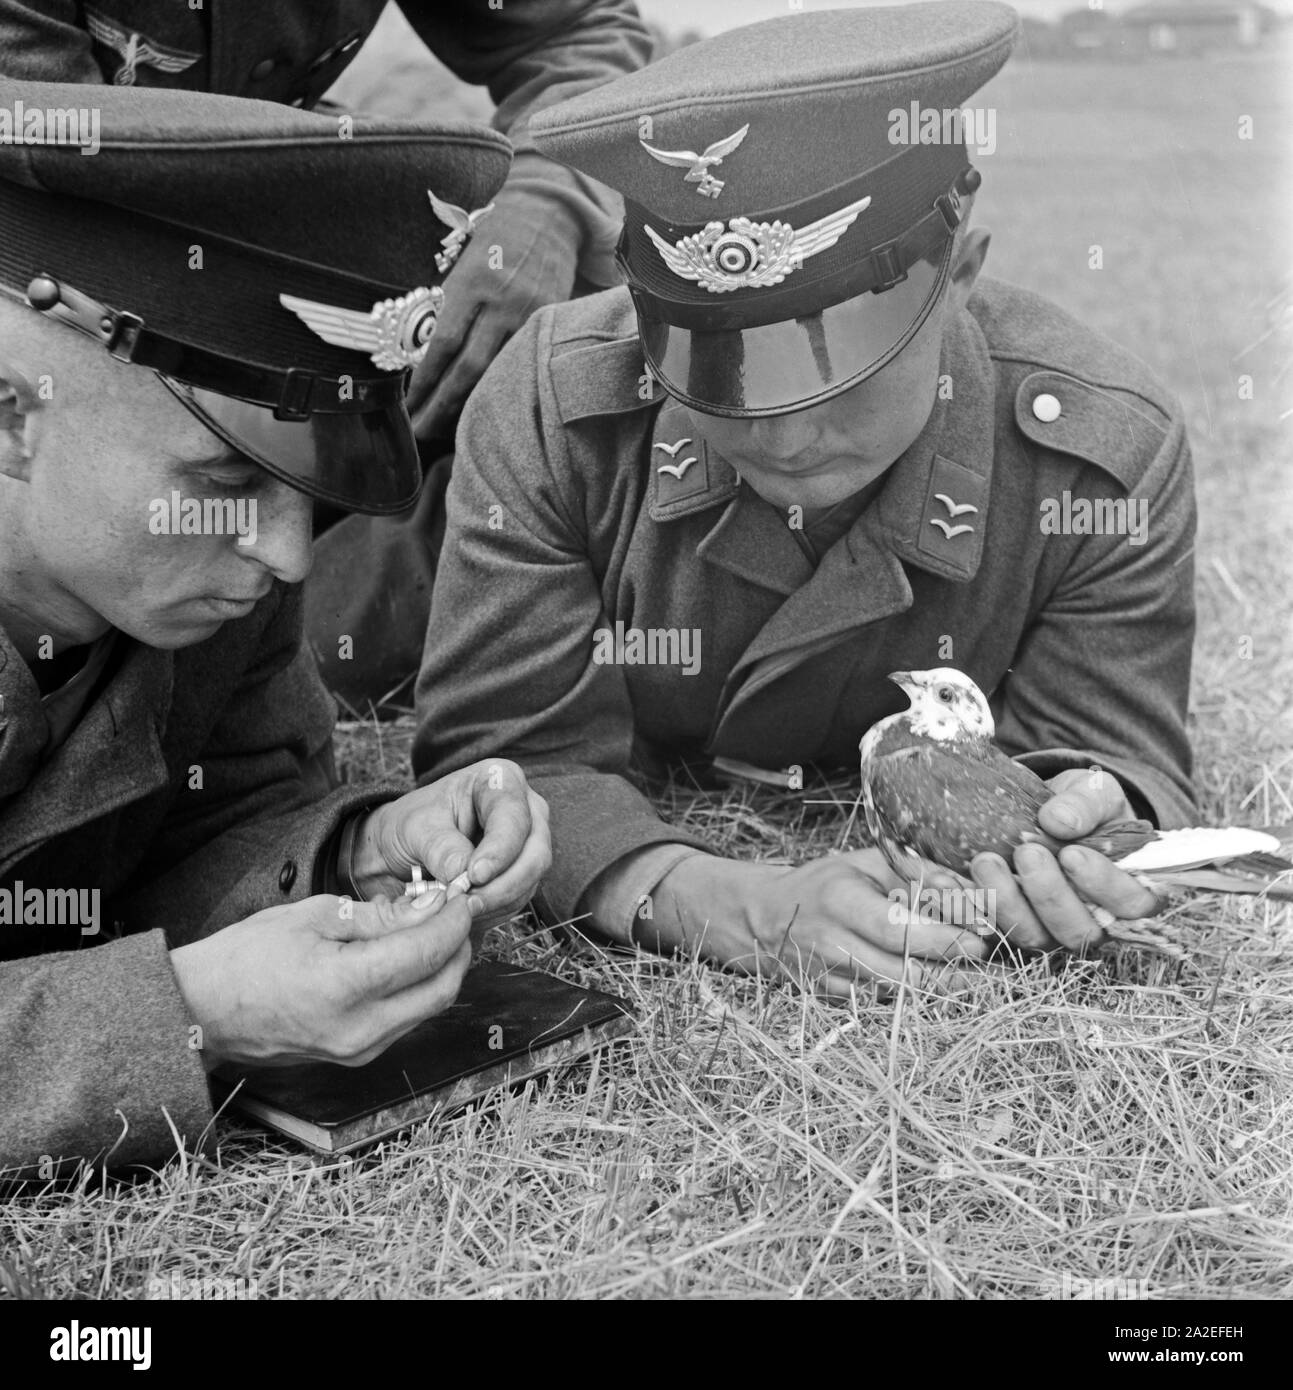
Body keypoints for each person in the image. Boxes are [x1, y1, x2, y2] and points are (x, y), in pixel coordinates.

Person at [412, 2, 1198, 994]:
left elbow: (1108, 754)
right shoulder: (550, 405)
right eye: (721, 375)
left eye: (839, 376)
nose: (780, 434)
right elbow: (504, 762)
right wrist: (728, 904)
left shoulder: (1100, 457)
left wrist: (1088, 819)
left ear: (961, 267)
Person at [0, 78, 550, 1177]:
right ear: (13, 417)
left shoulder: (206, 576)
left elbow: (215, 811)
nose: (290, 554)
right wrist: (193, 1010)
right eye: (222, 477)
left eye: (311, 491)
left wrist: (356, 850)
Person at [0, 0, 654, 709]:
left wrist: (547, 192)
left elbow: (575, 28)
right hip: (97, 340)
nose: (290, 555)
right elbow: (44, 195)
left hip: (284, 337)